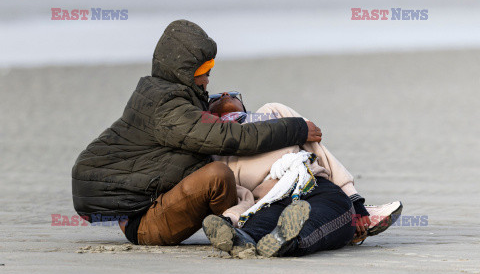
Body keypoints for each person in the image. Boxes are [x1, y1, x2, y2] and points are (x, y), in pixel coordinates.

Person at [71, 20, 323, 246]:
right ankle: (246, 231)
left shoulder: (163, 94)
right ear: (183, 73)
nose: (207, 80)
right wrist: (296, 128)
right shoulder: (166, 106)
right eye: (204, 73)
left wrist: (206, 108)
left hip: (156, 204)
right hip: (144, 222)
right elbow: (232, 138)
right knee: (217, 176)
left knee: (230, 175)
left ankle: (266, 217)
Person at [202, 92, 402, 257]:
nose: (226, 95)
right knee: (257, 226)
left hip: (310, 183)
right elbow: (236, 191)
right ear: (207, 111)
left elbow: (318, 149)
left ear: (244, 106)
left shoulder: (271, 111)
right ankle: (242, 239)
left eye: (233, 94)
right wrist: (231, 218)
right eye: (216, 97)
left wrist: (355, 201)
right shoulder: (213, 145)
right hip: (265, 199)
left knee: (339, 210)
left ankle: (286, 240)